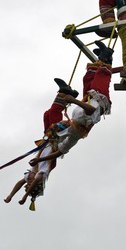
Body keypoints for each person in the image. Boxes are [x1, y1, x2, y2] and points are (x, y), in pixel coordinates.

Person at [29, 41, 113, 165]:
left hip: (89, 97)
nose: (63, 122)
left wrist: (38, 159)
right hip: (100, 99)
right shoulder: (76, 130)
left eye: (60, 124)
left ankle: (102, 57)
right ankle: (107, 56)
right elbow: (91, 110)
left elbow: (59, 152)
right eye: (62, 124)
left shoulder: (73, 123)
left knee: (88, 78)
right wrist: (73, 100)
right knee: (100, 78)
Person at [4, 80, 79, 208]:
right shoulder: (42, 173)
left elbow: (19, 183)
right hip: (55, 139)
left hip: (47, 138)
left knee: (47, 114)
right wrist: (25, 196)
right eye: (29, 184)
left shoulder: (32, 173)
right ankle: (64, 92)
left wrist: (10, 196)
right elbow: (36, 181)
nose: (27, 182)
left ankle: (66, 94)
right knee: (55, 113)